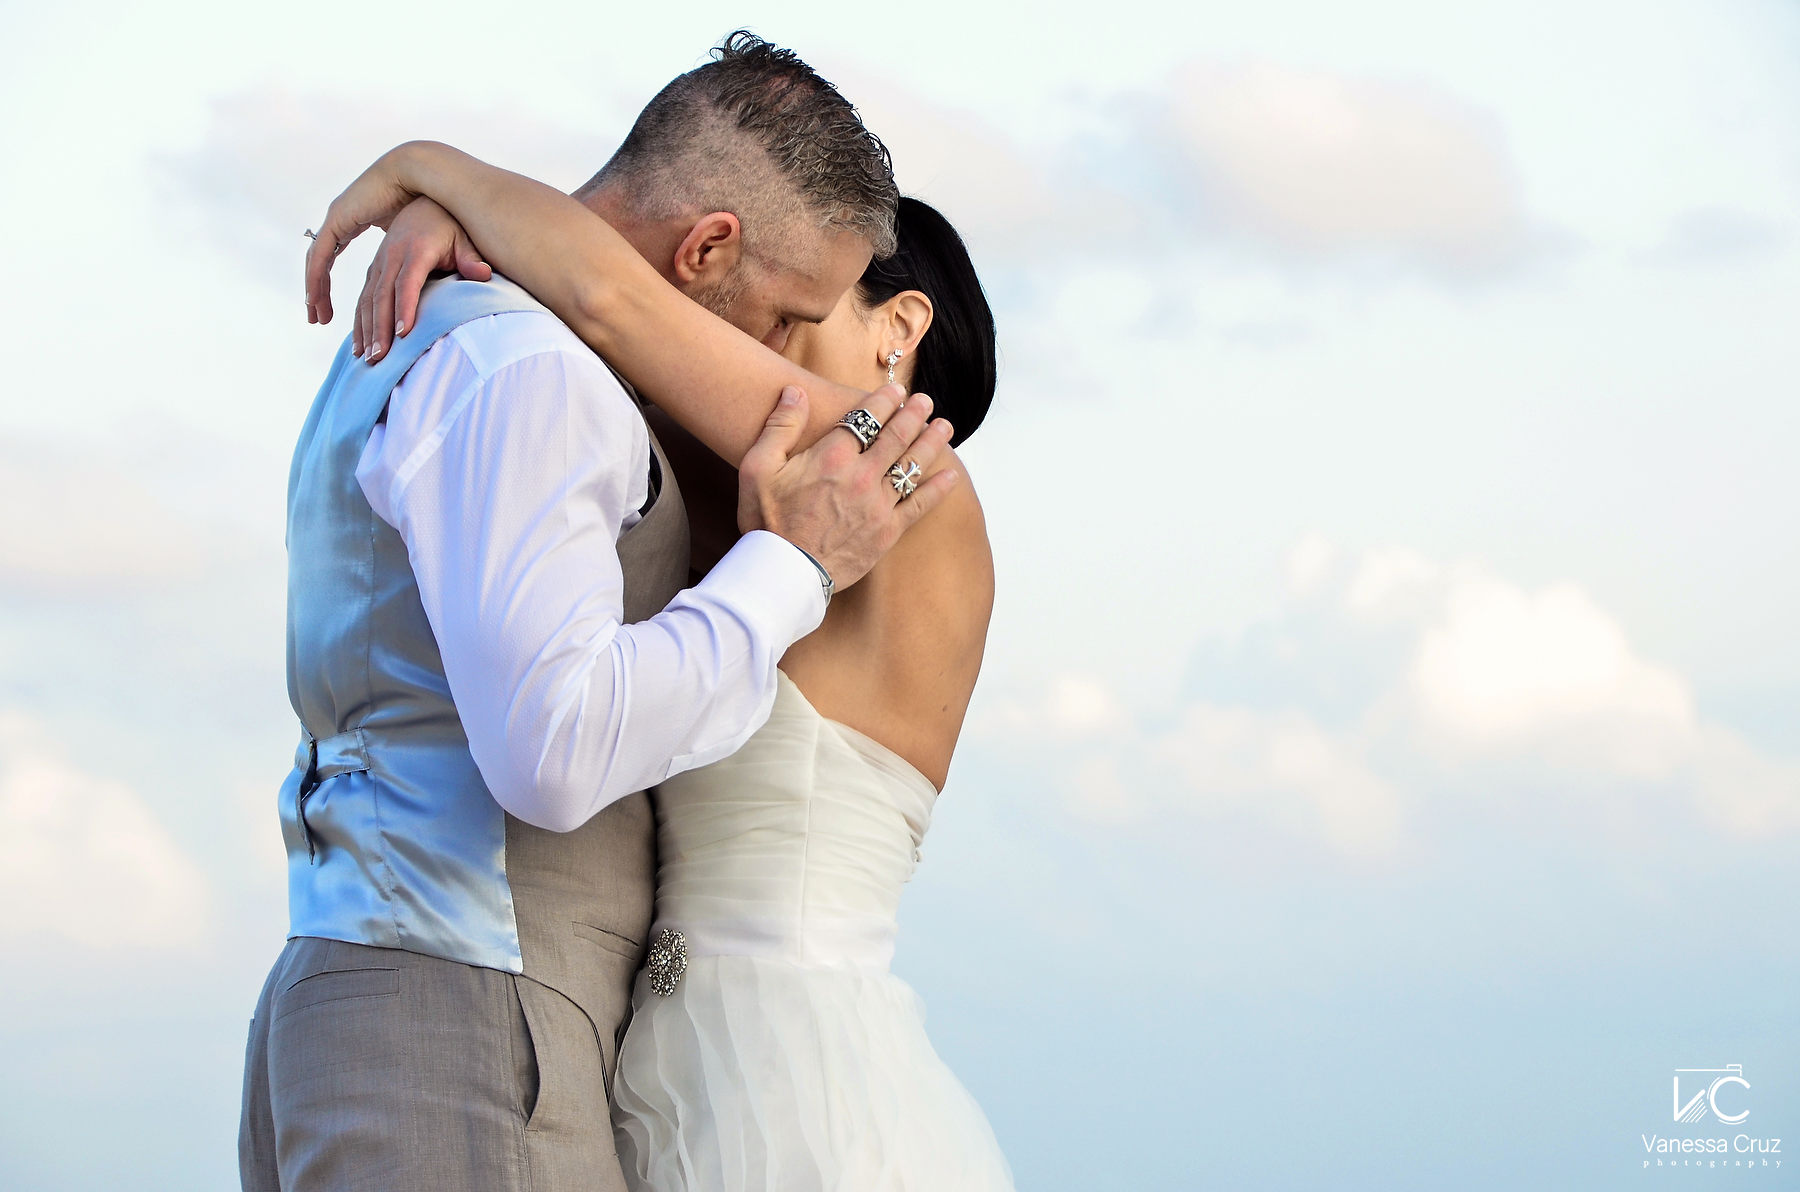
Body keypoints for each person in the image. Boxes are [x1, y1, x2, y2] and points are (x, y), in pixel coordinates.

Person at [243, 33, 959, 1192]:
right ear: (709, 246)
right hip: (470, 1022)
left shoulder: (465, 333)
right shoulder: (536, 371)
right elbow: (555, 748)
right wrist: (791, 569)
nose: (773, 368)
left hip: (456, 1012)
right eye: (785, 316)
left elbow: (612, 291)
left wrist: (454, 188)